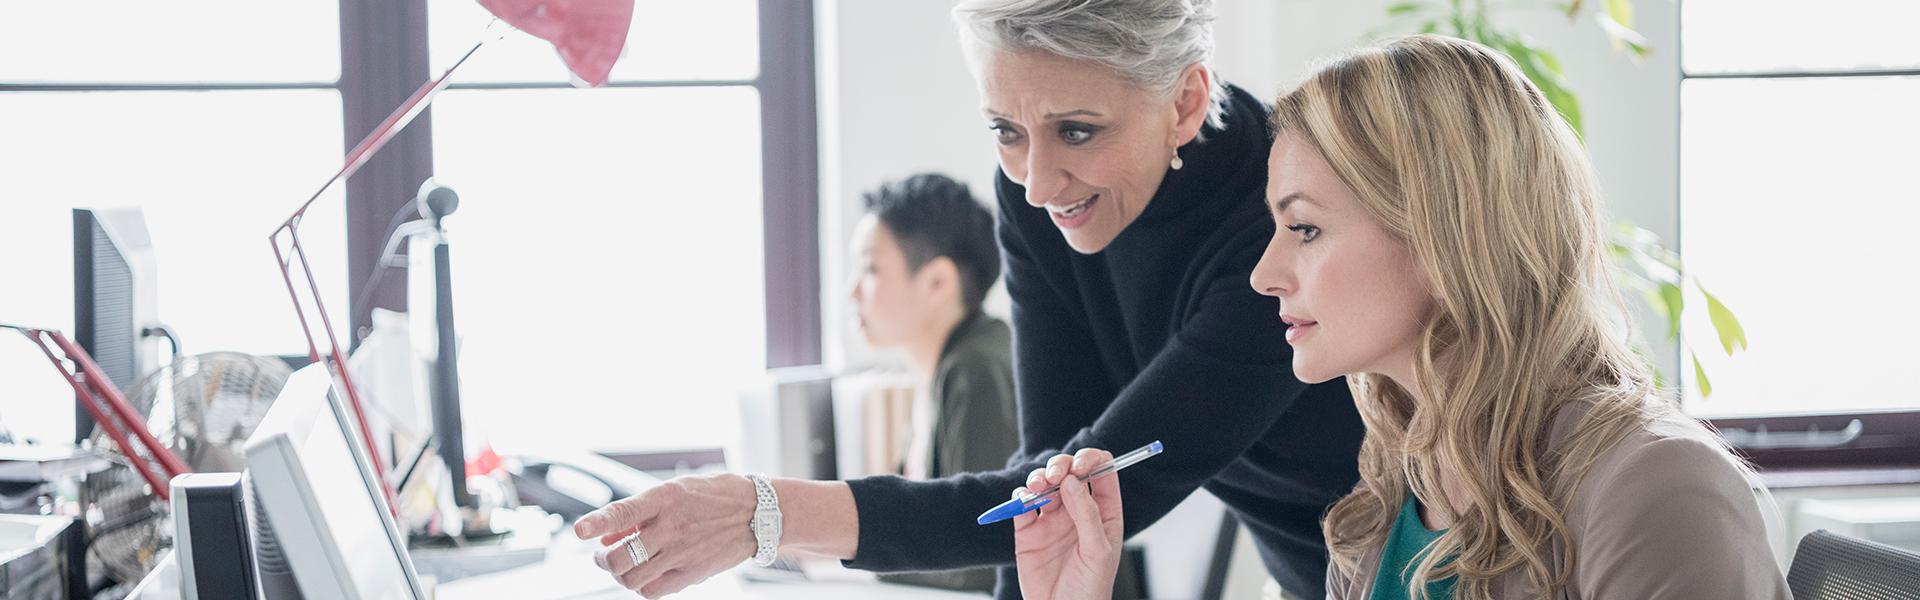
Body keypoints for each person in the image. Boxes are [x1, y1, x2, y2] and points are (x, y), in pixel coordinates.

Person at [576, 1, 1365, 598]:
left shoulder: (1276, 226)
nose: (1036, 182)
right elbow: (1045, 482)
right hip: (1316, 572)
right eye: (1005, 129)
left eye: (1079, 131)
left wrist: (766, 513)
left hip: (1429, 557)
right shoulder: (1039, 196)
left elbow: (1095, 489)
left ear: (1186, 102)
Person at [1009, 35, 1790, 600]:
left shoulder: (1654, 490)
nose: (1264, 273)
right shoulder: (1389, 499)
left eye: (1305, 229)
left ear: (1445, 238)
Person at [848, 173, 1019, 592]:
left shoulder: (976, 369)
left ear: (938, 282)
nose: (853, 292)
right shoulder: (939, 369)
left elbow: (982, 559)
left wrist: (863, 560)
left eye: (871, 269)